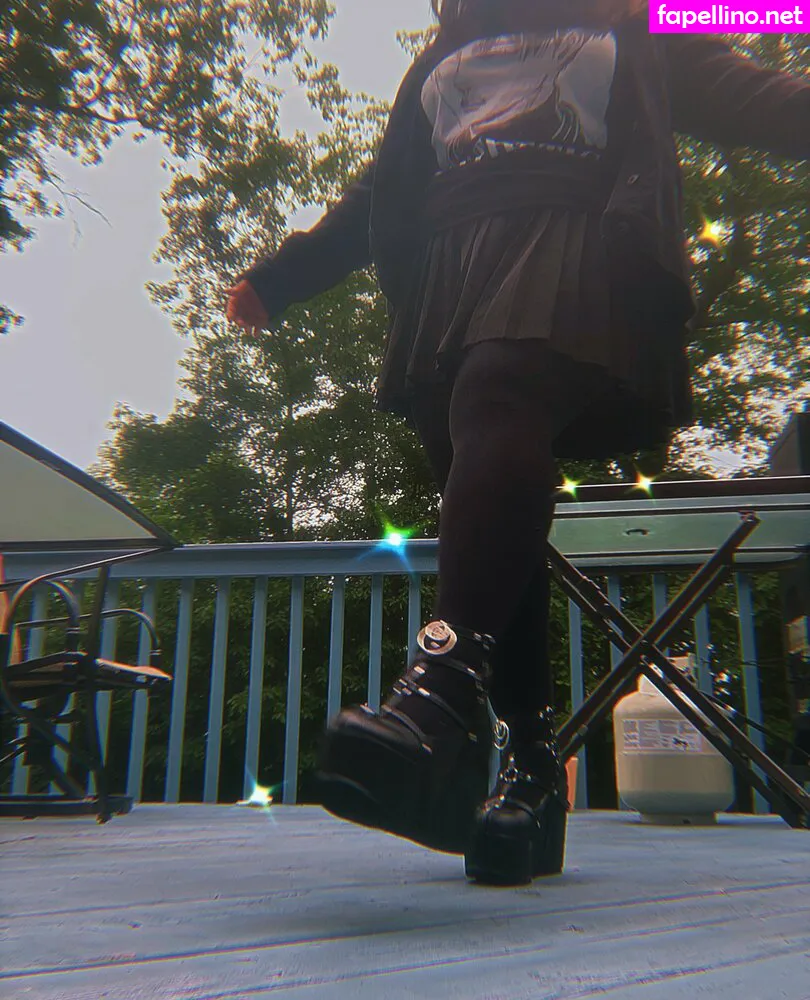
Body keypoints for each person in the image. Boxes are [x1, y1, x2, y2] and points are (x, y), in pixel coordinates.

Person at [227, 0, 809, 885]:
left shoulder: (640, 19)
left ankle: (438, 689)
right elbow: (383, 188)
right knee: (494, 520)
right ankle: (530, 776)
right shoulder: (447, 47)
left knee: (503, 388)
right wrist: (284, 274)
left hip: (575, 239)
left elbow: (749, 89)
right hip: (448, 273)